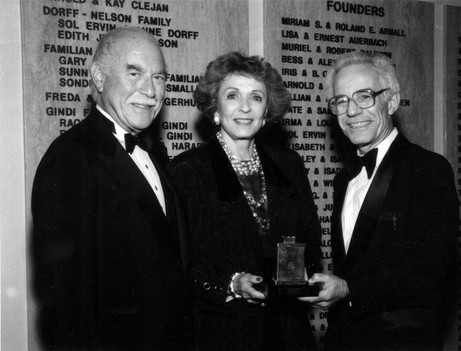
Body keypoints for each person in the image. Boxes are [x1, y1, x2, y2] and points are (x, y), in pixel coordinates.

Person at [32, 27, 191, 350]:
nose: (150, 90)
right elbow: (67, 302)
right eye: (135, 73)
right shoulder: (71, 158)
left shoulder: (155, 154)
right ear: (99, 78)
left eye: (159, 78)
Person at [300, 52, 459, 350]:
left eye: (365, 96)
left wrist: (348, 289)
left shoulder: (428, 169)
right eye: (341, 101)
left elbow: (430, 269)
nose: (352, 111)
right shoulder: (343, 180)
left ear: (392, 101)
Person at [168, 51, 322, 351]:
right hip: (222, 331)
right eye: (233, 95)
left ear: (267, 111)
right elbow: (182, 263)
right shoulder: (187, 171)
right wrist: (231, 282)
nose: (245, 108)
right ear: (215, 107)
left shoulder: (288, 164)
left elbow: (310, 237)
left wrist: (299, 271)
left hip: (288, 332)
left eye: (256, 97)